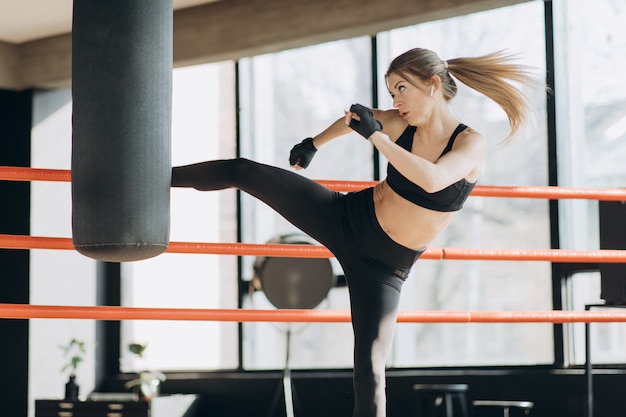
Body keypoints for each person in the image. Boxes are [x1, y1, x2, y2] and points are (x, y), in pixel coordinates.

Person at [171, 47, 535, 417]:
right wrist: (313, 144)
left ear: (432, 85)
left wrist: (376, 137)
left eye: (401, 89)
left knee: (370, 368)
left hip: (383, 268)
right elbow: (354, 118)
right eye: (391, 93)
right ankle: (153, 178)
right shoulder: (399, 123)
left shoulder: (470, 142)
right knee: (244, 171)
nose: (396, 100)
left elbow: (433, 179)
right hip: (346, 217)